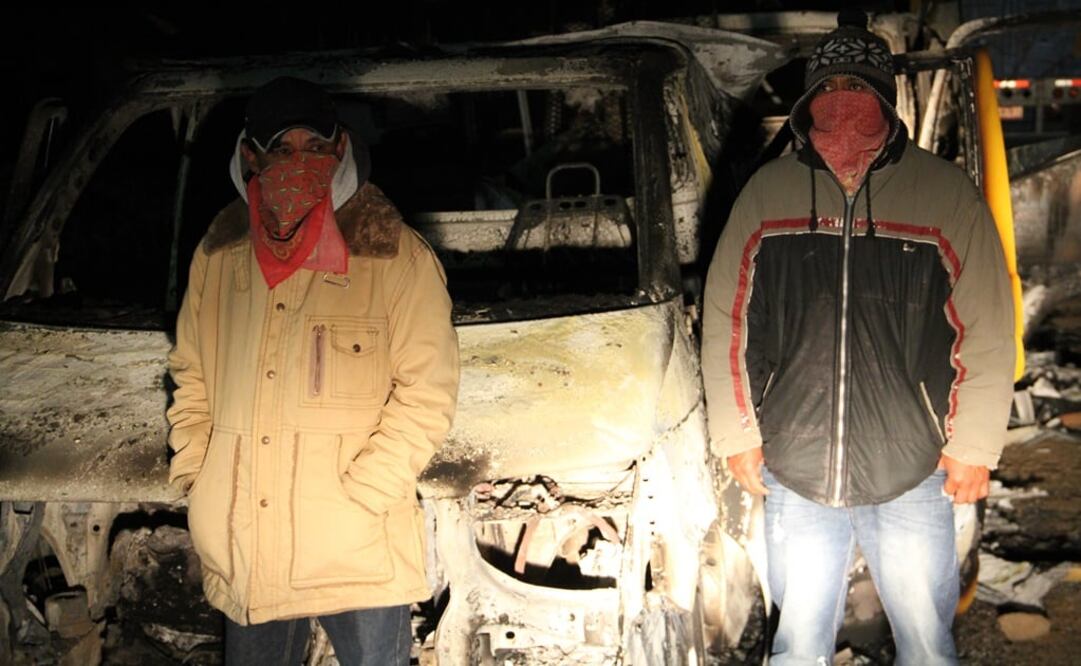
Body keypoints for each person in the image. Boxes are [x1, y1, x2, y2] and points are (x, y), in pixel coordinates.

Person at [701, 12, 1015, 665]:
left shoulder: (940, 192)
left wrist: (974, 444)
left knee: (927, 647)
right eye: (829, 90)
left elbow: (986, 323)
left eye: (858, 91)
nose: (843, 109)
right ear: (808, 102)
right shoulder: (769, 191)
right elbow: (726, 317)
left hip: (913, 467)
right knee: (795, 647)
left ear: (884, 100)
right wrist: (736, 432)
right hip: (796, 466)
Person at [166, 76, 460, 665]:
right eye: (281, 148)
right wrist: (198, 475)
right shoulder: (219, 257)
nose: (299, 163)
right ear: (250, 155)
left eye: (314, 146)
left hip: (354, 545)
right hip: (246, 538)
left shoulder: (393, 255)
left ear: (341, 150)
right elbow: (191, 376)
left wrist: (365, 496)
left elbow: (426, 393)